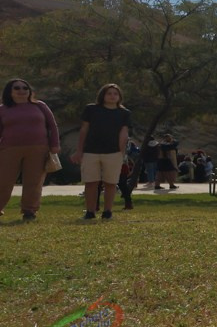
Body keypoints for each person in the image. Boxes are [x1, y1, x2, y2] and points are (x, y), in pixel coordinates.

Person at [0, 79, 61, 222]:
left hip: (38, 149)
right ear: (10, 91)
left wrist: (55, 145)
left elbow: (52, 126)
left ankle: (29, 211)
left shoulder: (40, 106)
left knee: (33, 182)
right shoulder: (2, 109)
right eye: (17, 88)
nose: (22, 91)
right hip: (9, 149)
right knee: (3, 181)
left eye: (25, 88)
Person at [70, 83, 132, 220]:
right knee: (91, 182)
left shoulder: (124, 113)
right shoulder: (91, 109)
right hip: (91, 151)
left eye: (115, 94)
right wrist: (79, 150)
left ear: (119, 97)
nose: (112, 96)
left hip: (113, 152)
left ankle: (108, 211)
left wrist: (121, 154)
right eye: (109, 93)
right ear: (103, 95)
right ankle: (90, 212)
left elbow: (124, 133)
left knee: (110, 183)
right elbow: (84, 130)